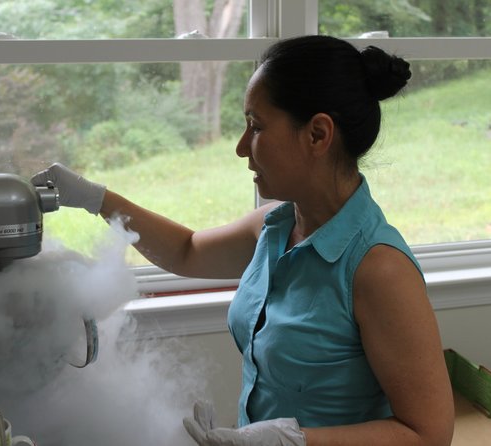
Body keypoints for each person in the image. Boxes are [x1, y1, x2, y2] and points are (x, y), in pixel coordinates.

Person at [31, 35, 455, 446]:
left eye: (255, 127)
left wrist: (297, 441)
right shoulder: (274, 226)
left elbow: (429, 433)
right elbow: (186, 251)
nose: (239, 148)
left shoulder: (378, 269)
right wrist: (94, 198)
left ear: (318, 135)